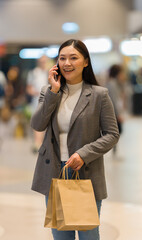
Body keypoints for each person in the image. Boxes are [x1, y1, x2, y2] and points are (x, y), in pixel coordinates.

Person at [30, 39, 119, 240]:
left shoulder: (99, 95)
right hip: (55, 171)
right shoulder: (49, 91)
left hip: (84, 173)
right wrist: (53, 91)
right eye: (62, 58)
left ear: (85, 62)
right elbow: (37, 125)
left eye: (73, 58)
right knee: (61, 236)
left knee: (89, 235)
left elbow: (112, 134)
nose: (67, 63)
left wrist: (84, 154)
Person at [26, 55, 49, 152]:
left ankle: (43, 143)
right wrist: (38, 93)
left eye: (45, 61)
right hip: (37, 101)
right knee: (38, 122)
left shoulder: (50, 72)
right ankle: (37, 143)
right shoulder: (34, 73)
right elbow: (29, 89)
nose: (43, 63)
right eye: (41, 61)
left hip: (49, 100)